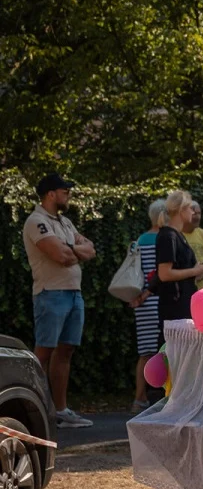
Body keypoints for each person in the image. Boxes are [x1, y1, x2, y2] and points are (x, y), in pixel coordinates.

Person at [22, 173, 96, 428]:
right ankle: (33, 408)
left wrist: (71, 248)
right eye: (65, 191)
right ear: (51, 194)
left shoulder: (64, 222)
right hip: (50, 293)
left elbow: (91, 249)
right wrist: (74, 250)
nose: (69, 195)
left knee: (66, 351)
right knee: (44, 352)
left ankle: (60, 411)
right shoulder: (37, 222)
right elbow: (60, 255)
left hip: (73, 293)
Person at [157, 190, 203, 345]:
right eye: (190, 208)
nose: (193, 211)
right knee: (173, 349)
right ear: (181, 210)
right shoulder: (168, 236)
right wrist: (195, 271)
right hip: (174, 304)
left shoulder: (177, 235)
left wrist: (197, 270)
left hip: (183, 300)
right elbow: (164, 274)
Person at [130, 199, 167, 413]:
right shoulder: (165, 239)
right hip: (159, 298)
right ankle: (163, 397)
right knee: (166, 349)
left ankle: (139, 398)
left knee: (145, 352)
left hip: (142, 301)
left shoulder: (139, 241)